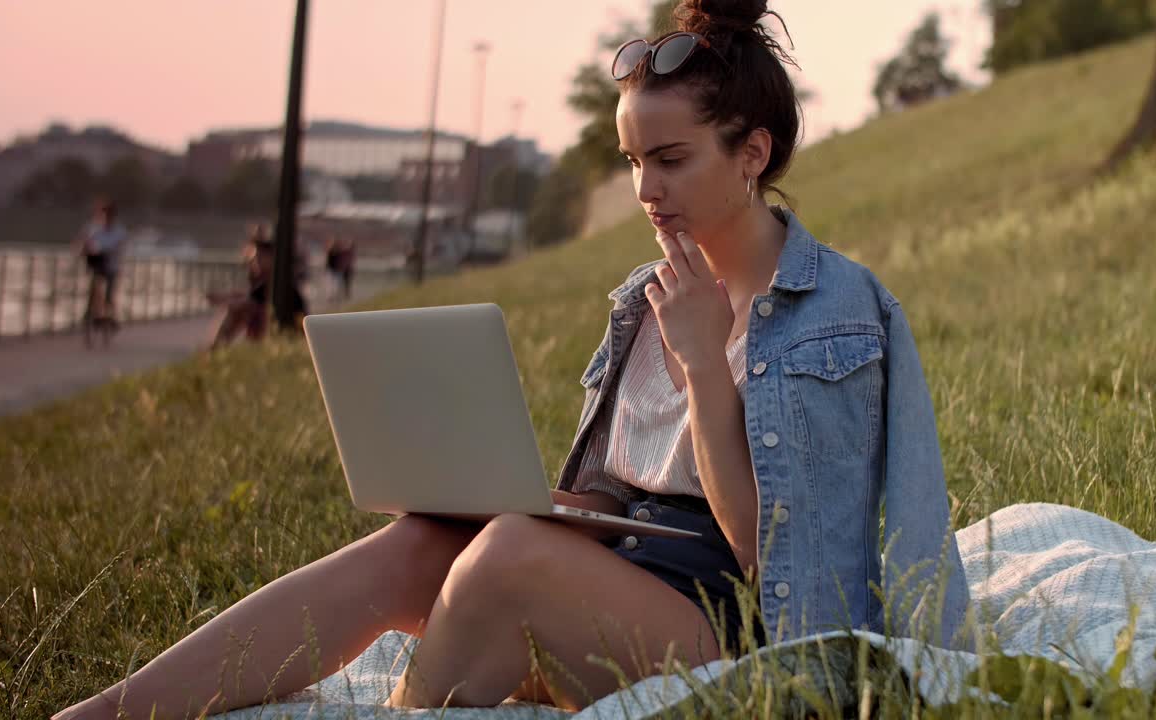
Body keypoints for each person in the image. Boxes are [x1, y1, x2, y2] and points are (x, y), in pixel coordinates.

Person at [54, 1, 968, 717]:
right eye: (633, 159)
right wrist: (540, 504)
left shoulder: (831, 318)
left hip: (750, 638)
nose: (645, 190)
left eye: (673, 159)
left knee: (506, 562)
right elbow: (618, 498)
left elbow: (783, 565)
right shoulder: (642, 299)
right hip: (635, 588)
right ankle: (107, 713)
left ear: (751, 154)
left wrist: (702, 367)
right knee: (425, 545)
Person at [74, 198, 127, 331]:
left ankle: (111, 316)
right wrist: (83, 248)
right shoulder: (93, 228)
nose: (105, 216)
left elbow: (119, 247)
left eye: (108, 213)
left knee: (109, 293)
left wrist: (107, 250)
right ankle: (93, 313)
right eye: (103, 213)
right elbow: (82, 241)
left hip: (111, 266)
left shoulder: (119, 231)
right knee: (95, 286)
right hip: (96, 264)